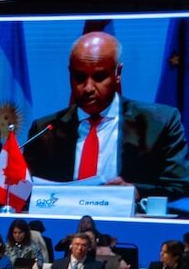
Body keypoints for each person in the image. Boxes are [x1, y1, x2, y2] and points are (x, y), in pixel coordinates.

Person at [24, 31, 189, 203]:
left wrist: (137, 192)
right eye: (79, 77)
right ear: (69, 73)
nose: (88, 88)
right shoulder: (44, 131)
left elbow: (180, 186)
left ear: (118, 73)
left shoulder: (159, 123)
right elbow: (23, 191)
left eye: (99, 76)